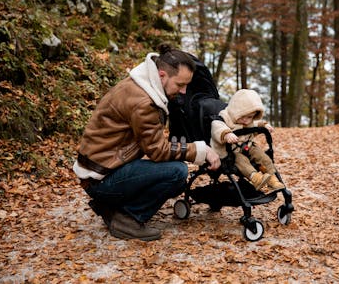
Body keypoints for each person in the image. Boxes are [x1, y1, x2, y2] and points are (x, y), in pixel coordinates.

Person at [72, 44, 221, 241]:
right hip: (101, 179)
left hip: (100, 170)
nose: (184, 91)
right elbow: (158, 151)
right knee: (177, 172)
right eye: (180, 84)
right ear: (162, 75)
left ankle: (111, 207)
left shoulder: (138, 84)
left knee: (175, 178)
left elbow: (152, 144)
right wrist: (201, 151)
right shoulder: (144, 102)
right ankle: (128, 219)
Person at [210, 89, 285, 192]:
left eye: (250, 117)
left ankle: (272, 178)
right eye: (243, 116)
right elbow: (217, 127)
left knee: (262, 156)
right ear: (236, 111)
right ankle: (256, 178)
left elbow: (256, 123)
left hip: (247, 146)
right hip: (231, 152)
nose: (246, 120)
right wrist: (227, 134)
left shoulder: (249, 121)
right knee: (242, 161)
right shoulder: (224, 117)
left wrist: (264, 125)